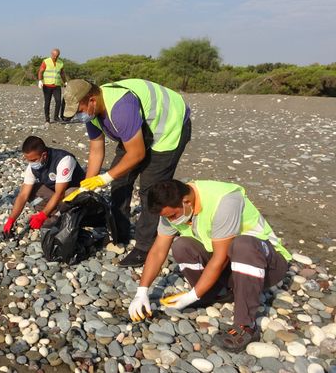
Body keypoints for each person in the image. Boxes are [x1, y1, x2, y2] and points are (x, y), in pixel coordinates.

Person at [128, 179, 290, 352]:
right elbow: (159, 250)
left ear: (187, 202)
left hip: (267, 266)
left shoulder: (225, 200)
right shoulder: (173, 207)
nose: (172, 221)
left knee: (243, 245)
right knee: (182, 245)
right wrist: (141, 291)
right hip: (231, 268)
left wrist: (192, 296)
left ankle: (246, 326)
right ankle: (213, 295)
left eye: (172, 216)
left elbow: (220, 258)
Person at [62, 79, 191, 267]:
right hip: (138, 130)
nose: (79, 116)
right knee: (120, 181)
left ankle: (144, 247)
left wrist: (105, 177)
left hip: (169, 126)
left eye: (79, 110)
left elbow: (137, 153)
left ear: (91, 100)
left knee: (151, 190)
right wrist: (86, 186)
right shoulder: (93, 114)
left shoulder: (120, 108)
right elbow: (96, 149)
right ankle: (119, 233)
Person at [2, 136, 86, 236]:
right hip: (55, 195)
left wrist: (42, 215)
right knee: (32, 189)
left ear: (44, 155)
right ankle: (55, 213)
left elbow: (60, 193)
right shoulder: (32, 166)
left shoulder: (64, 160)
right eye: (28, 160)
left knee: (70, 193)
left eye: (33, 160)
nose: (31, 163)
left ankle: (67, 216)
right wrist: (11, 219)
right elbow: (23, 195)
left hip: (73, 194)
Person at [37, 48, 67, 123]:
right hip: (47, 85)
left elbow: (62, 73)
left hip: (57, 85)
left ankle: (56, 117)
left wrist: (65, 82)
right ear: (51, 54)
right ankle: (47, 119)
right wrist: (40, 80)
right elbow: (41, 71)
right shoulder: (46, 61)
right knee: (47, 102)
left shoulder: (61, 63)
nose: (55, 57)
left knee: (58, 101)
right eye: (54, 56)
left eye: (57, 56)